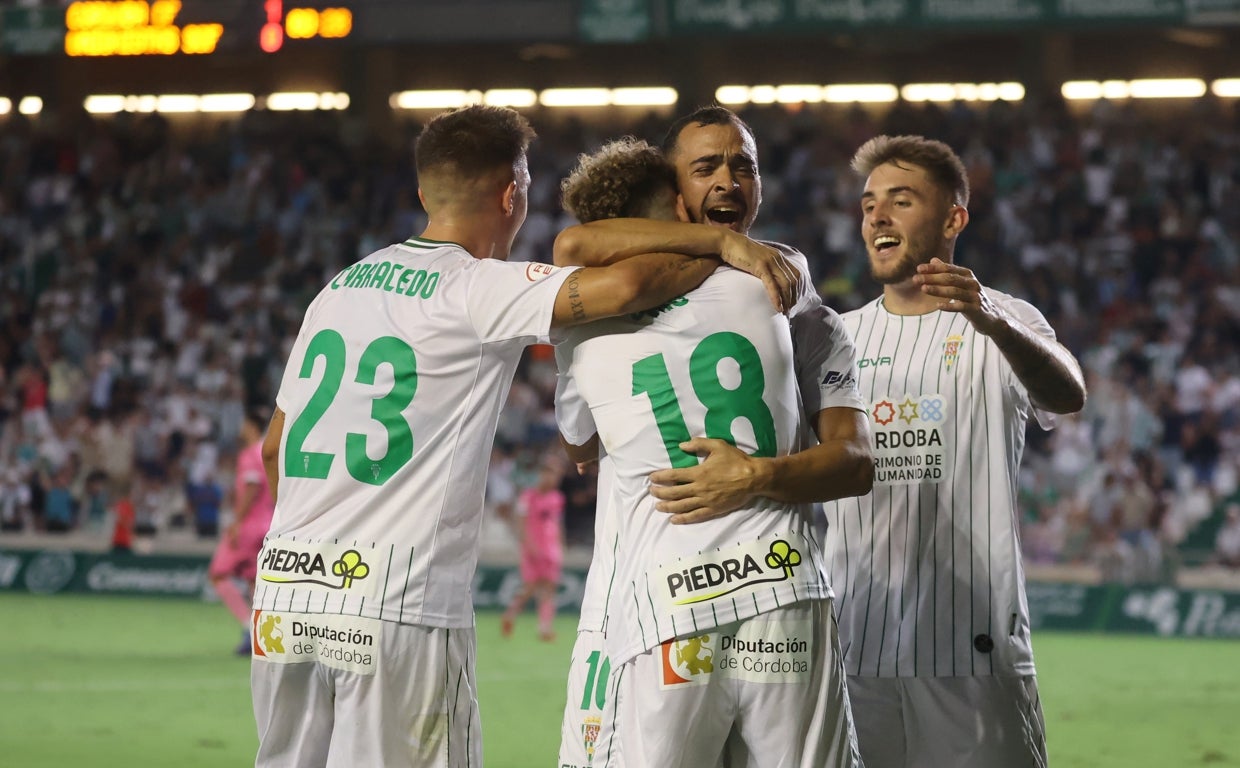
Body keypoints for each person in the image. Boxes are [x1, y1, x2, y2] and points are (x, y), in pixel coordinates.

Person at [248, 105, 793, 768]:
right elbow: (627, 284)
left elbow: (274, 449)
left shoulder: (336, 291)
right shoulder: (477, 288)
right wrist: (721, 244)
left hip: (284, 597)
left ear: (424, 193)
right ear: (512, 195)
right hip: (394, 603)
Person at [554, 131, 871, 767]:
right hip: (782, 586)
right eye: (706, 168)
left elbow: (578, 444)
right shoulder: (778, 282)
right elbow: (857, 463)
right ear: (676, 197)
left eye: (743, 166)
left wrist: (752, 474)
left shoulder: (579, 313)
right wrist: (725, 245)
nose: (727, 181)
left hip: (663, 598)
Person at [821, 134, 1088, 768]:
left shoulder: (1006, 320)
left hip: (973, 648)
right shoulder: (834, 338)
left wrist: (993, 321)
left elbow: (1067, 393)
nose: (878, 217)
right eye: (868, 205)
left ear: (953, 220)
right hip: (853, 647)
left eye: (901, 200)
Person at [208, 407, 275, 655]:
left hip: (249, 525)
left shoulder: (250, 454)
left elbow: (251, 487)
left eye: (244, 424)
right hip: (268, 522)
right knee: (254, 581)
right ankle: (262, 632)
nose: (241, 428)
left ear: (252, 426)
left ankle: (249, 627)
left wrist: (237, 522)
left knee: (218, 574)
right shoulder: (270, 451)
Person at [500, 457, 567, 642]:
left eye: (556, 475)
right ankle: (510, 614)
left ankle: (545, 627)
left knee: (549, 588)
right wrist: (529, 545)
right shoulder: (528, 496)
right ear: (541, 474)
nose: (553, 479)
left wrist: (561, 545)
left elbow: (557, 524)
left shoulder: (557, 498)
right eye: (549, 473)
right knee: (529, 587)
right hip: (532, 549)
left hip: (551, 550)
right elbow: (520, 523)